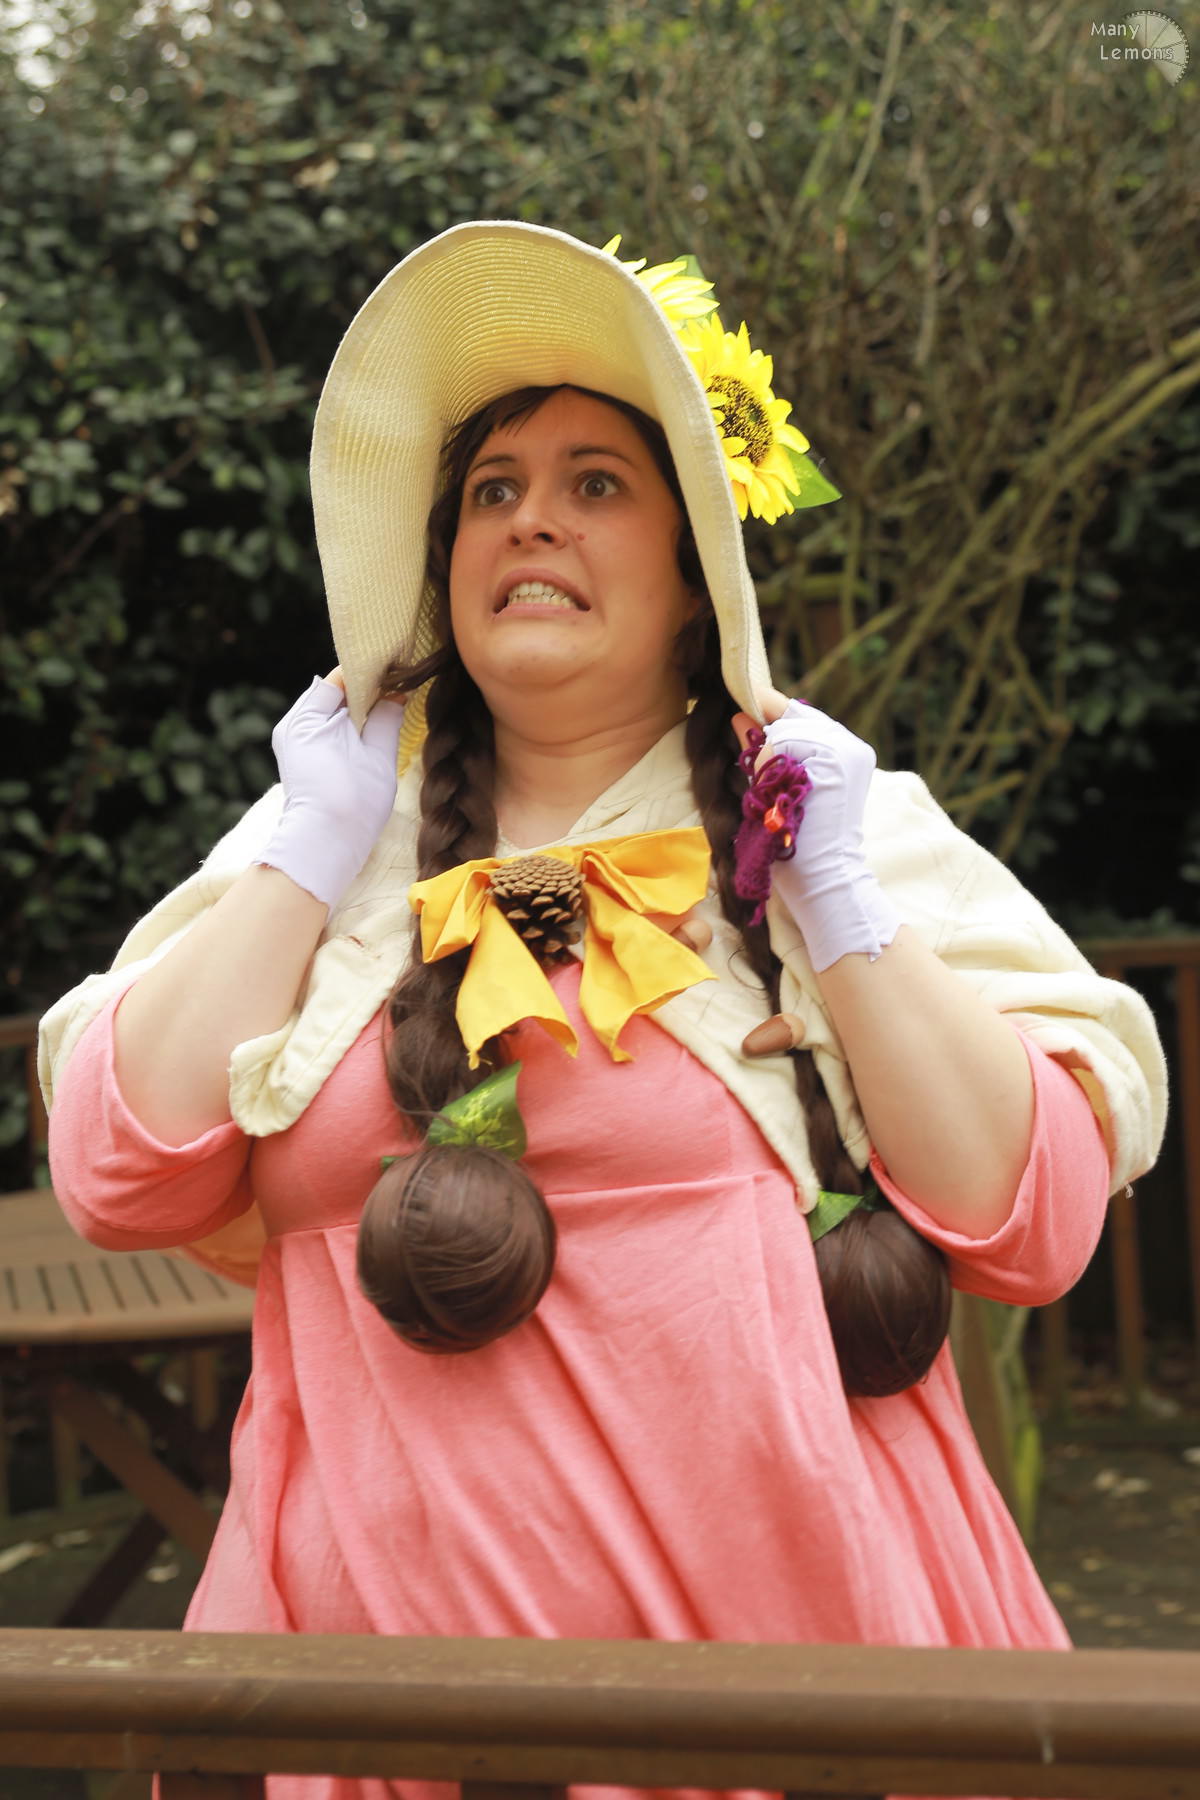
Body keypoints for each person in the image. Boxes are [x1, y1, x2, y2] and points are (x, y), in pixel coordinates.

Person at [40, 222, 1166, 1800]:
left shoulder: (838, 829)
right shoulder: (325, 843)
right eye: (492, 489)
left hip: (806, 1709)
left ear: (697, 576)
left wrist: (840, 909)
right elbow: (119, 1171)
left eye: (596, 483)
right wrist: (304, 853)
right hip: (372, 1719)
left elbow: (1027, 1224)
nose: (531, 518)